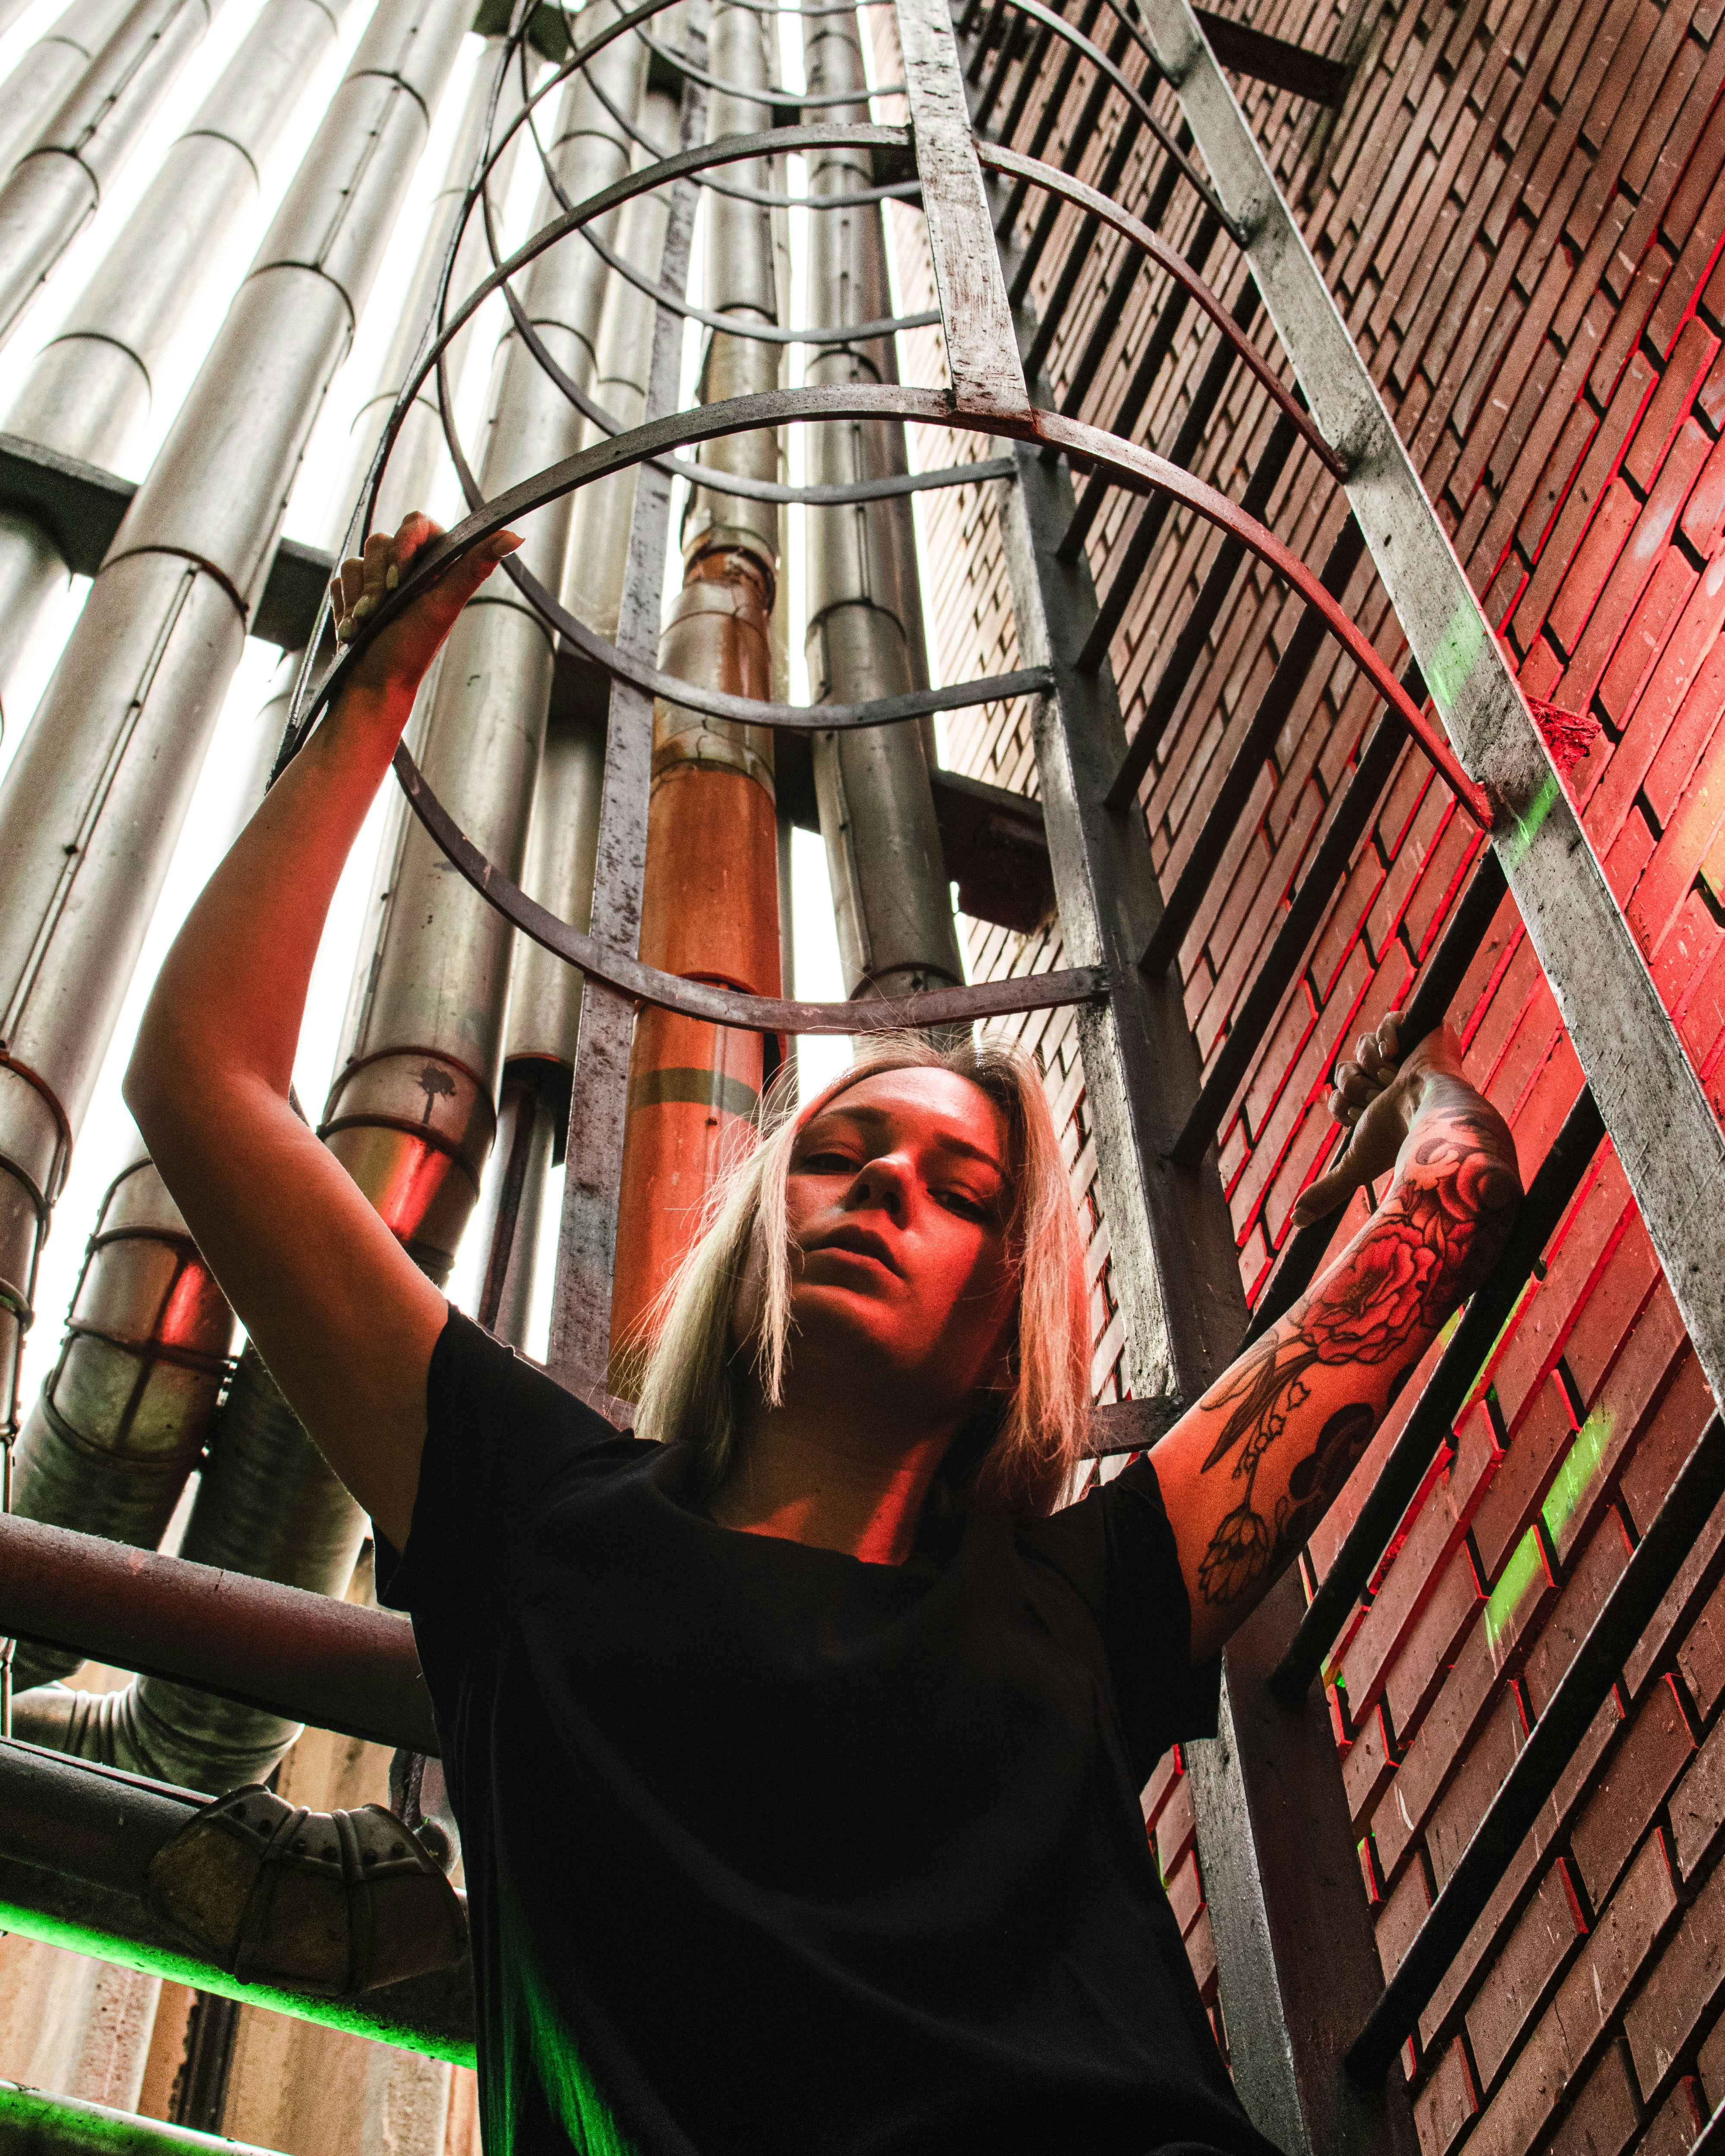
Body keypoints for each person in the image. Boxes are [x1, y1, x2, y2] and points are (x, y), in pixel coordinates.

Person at [125, 513, 1523, 2156]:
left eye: (957, 1188)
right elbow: (204, 1080)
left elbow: (1444, 1227)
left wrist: (1417, 1099)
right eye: (842, 1160)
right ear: (762, 1237)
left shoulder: (1089, 1596)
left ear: (1010, 1317)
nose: (879, 1194)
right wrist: (372, 696)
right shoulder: (532, 1518)